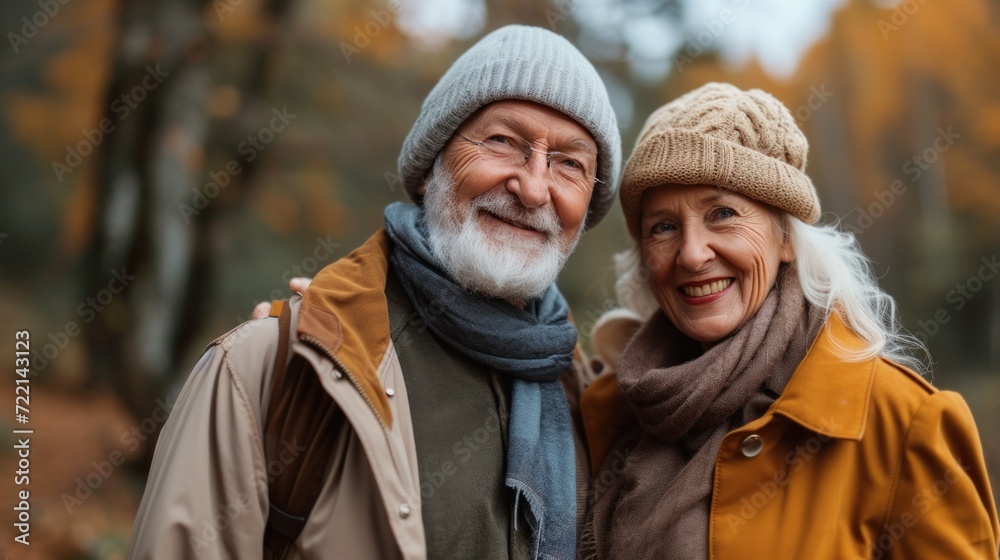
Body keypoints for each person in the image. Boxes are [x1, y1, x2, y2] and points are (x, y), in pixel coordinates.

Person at [127, 25, 621, 560]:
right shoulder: (267, 370)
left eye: (569, 164)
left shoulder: (594, 405)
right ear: (432, 168)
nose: (532, 186)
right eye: (502, 142)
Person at [577, 82, 1000, 559]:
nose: (692, 255)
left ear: (786, 238)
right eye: (664, 227)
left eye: (722, 213)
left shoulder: (903, 426)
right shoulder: (608, 414)